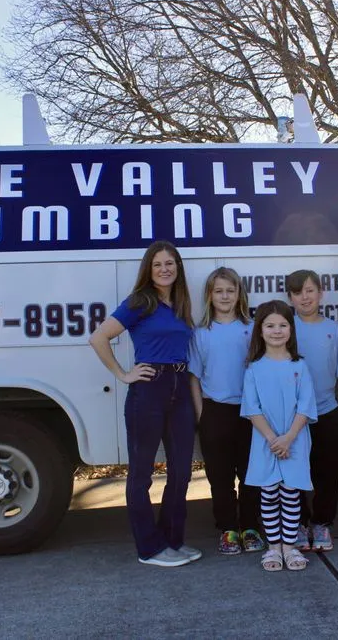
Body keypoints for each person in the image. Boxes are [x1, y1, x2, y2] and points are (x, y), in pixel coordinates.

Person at [89, 240, 200, 568]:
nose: (165, 269)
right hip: (149, 390)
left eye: (170, 263)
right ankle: (149, 549)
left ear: (177, 267)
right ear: (148, 271)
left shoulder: (180, 303)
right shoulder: (140, 301)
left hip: (179, 388)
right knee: (141, 475)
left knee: (181, 471)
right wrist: (122, 374)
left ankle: (171, 541)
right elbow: (98, 337)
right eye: (158, 264)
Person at [188, 267, 265, 555]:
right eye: (218, 291)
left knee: (249, 475)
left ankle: (250, 527)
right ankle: (228, 529)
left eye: (230, 291)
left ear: (238, 294)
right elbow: (194, 377)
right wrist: (201, 415)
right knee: (219, 478)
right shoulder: (201, 333)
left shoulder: (251, 328)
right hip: (214, 411)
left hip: (248, 413)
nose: (224, 296)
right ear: (209, 295)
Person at [240, 300, 318, 571]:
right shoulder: (254, 368)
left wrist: (288, 438)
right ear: (260, 331)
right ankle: (273, 547)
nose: (276, 330)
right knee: (270, 492)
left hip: (294, 440)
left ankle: (290, 546)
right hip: (265, 442)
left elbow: (306, 406)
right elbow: (252, 408)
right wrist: (274, 438)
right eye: (270, 325)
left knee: (290, 492)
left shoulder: (299, 366)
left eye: (283, 325)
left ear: (291, 329)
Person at [285, 269, 338, 553]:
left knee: (329, 472)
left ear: (321, 293)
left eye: (310, 290)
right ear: (290, 297)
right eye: (298, 292)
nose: (305, 297)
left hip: (327, 412)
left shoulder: (333, 329)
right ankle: (300, 525)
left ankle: (322, 524)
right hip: (293, 416)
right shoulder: (285, 328)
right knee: (296, 472)